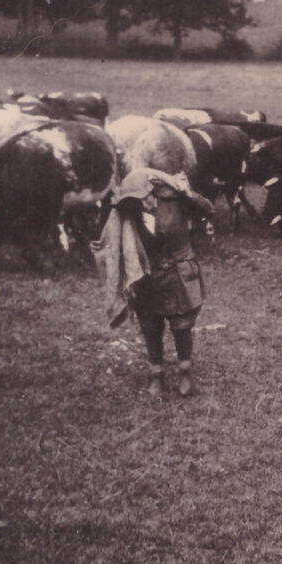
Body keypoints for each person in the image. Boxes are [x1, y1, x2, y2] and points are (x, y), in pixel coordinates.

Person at [95, 168, 215, 397]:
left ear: (154, 192)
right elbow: (113, 241)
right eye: (136, 200)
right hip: (147, 277)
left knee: (182, 326)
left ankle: (185, 374)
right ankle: (156, 376)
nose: (144, 203)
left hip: (180, 272)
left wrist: (188, 193)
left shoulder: (176, 201)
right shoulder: (127, 216)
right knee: (150, 327)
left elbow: (208, 209)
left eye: (146, 197)